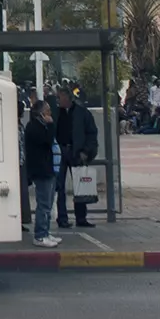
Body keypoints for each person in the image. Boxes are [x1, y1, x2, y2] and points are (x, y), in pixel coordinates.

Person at [56, 83, 101, 228]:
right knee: (60, 186)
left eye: (61, 98)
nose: (59, 101)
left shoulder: (82, 112)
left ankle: (81, 217)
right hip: (60, 151)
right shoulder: (56, 112)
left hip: (77, 151)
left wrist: (86, 151)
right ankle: (62, 218)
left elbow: (91, 133)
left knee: (80, 185)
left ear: (68, 98)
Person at [23, 98, 60, 247]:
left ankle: (45, 232)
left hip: (49, 169)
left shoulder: (41, 126)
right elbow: (47, 140)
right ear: (40, 114)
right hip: (41, 170)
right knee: (43, 204)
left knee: (49, 203)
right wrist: (50, 125)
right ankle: (39, 235)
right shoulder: (34, 128)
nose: (50, 114)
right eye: (47, 111)